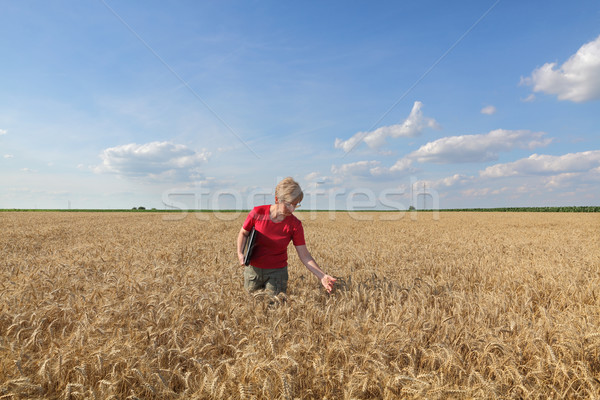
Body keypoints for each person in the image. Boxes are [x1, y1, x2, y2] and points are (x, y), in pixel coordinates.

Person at [236, 177, 336, 295]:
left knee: (274, 308)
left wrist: (322, 275)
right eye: (288, 204)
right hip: (253, 272)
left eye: (295, 205)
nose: (292, 209)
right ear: (277, 199)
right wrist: (240, 253)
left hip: (277, 274)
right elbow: (244, 233)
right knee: (251, 306)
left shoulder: (295, 225)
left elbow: (305, 256)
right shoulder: (258, 212)